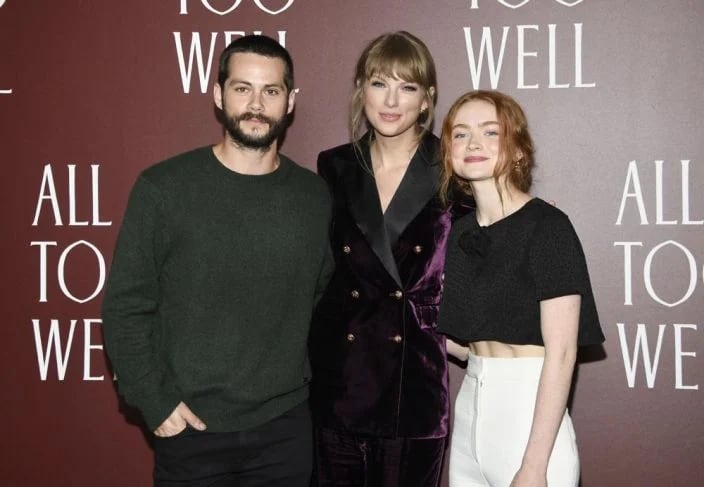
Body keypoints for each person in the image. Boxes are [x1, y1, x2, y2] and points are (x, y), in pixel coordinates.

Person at [101, 35, 332, 487]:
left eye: (271, 91)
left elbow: (317, 295)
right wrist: (155, 401)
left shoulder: (314, 197)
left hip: (284, 430)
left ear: (290, 102)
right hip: (190, 430)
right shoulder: (163, 189)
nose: (256, 104)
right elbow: (125, 306)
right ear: (218, 94)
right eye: (242, 88)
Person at [309, 31, 470, 487]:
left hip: (413, 385)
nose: (392, 100)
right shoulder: (335, 166)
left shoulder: (453, 167)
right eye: (380, 83)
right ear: (361, 89)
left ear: (427, 99)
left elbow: (489, 249)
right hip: (339, 379)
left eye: (408, 86)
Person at [436, 90, 605, 487]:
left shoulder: (548, 226)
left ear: (517, 150)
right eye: (460, 135)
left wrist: (534, 466)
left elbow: (562, 353)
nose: (473, 143)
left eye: (490, 132)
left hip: (529, 418)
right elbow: (463, 343)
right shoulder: (460, 234)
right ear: (448, 154)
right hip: (469, 415)